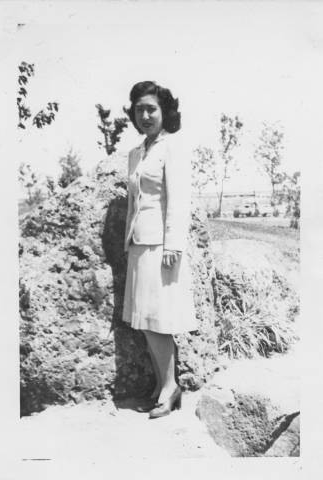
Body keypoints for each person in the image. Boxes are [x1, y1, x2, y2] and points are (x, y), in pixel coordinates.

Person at [122, 80, 197, 419]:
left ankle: (171, 387)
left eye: (151, 108)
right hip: (139, 244)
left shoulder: (172, 148)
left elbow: (178, 200)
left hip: (161, 247)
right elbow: (134, 202)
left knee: (158, 320)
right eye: (139, 109)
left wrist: (174, 245)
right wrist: (128, 241)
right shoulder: (137, 153)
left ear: (165, 111)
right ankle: (161, 382)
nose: (146, 114)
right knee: (144, 320)